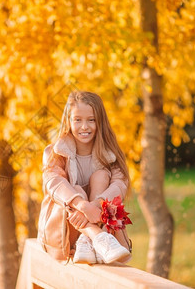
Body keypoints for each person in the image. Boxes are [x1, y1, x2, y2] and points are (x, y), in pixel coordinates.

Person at [37, 90, 132, 264]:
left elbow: (120, 184)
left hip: (99, 217)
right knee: (74, 190)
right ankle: (96, 235)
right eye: (78, 120)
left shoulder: (111, 154)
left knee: (102, 176)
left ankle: (87, 240)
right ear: (68, 121)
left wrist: (95, 205)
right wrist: (81, 204)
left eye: (91, 120)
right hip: (65, 235)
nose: (84, 127)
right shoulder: (54, 153)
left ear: (100, 122)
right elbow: (54, 183)